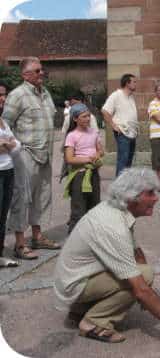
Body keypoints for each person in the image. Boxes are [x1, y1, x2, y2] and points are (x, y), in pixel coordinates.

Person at [54, 168, 160, 348]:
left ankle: (79, 310)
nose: (156, 198)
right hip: (73, 286)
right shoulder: (114, 226)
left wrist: (146, 289)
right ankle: (94, 322)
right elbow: (140, 289)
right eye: (150, 193)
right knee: (143, 277)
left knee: (142, 274)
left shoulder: (114, 209)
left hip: (74, 279)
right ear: (132, 197)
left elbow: (136, 252)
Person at [2, 57, 60, 260]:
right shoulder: (17, 95)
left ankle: (37, 236)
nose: (41, 73)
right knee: (22, 199)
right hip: (25, 154)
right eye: (37, 71)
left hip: (45, 154)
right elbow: (5, 125)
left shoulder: (45, 94)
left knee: (42, 197)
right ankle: (19, 243)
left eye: (42, 70)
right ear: (25, 75)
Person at [64, 103, 103, 233]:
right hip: (79, 175)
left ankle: (91, 235)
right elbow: (69, 159)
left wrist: (97, 156)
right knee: (78, 207)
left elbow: (100, 150)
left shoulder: (93, 132)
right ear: (75, 119)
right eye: (84, 116)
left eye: (88, 116)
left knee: (94, 205)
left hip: (93, 173)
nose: (87, 119)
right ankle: (74, 238)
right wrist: (87, 159)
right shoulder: (72, 136)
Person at [102, 74, 138, 176]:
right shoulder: (116, 95)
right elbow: (105, 111)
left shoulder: (131, 97)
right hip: (122, 133)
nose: (136, 84)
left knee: (129, 161)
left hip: (132, 133)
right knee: (123, 160)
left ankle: (125, 185)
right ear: (127, 83)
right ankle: (119, 187)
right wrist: (114, 126)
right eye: (134, 82)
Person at [0, 82, 20, 267]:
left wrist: (6, 144)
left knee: (3, 214)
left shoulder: (4, 121)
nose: (3, 99)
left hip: (8, 170)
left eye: (4, 94)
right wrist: (7, 144)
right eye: (0, 95)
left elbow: (17, 145)